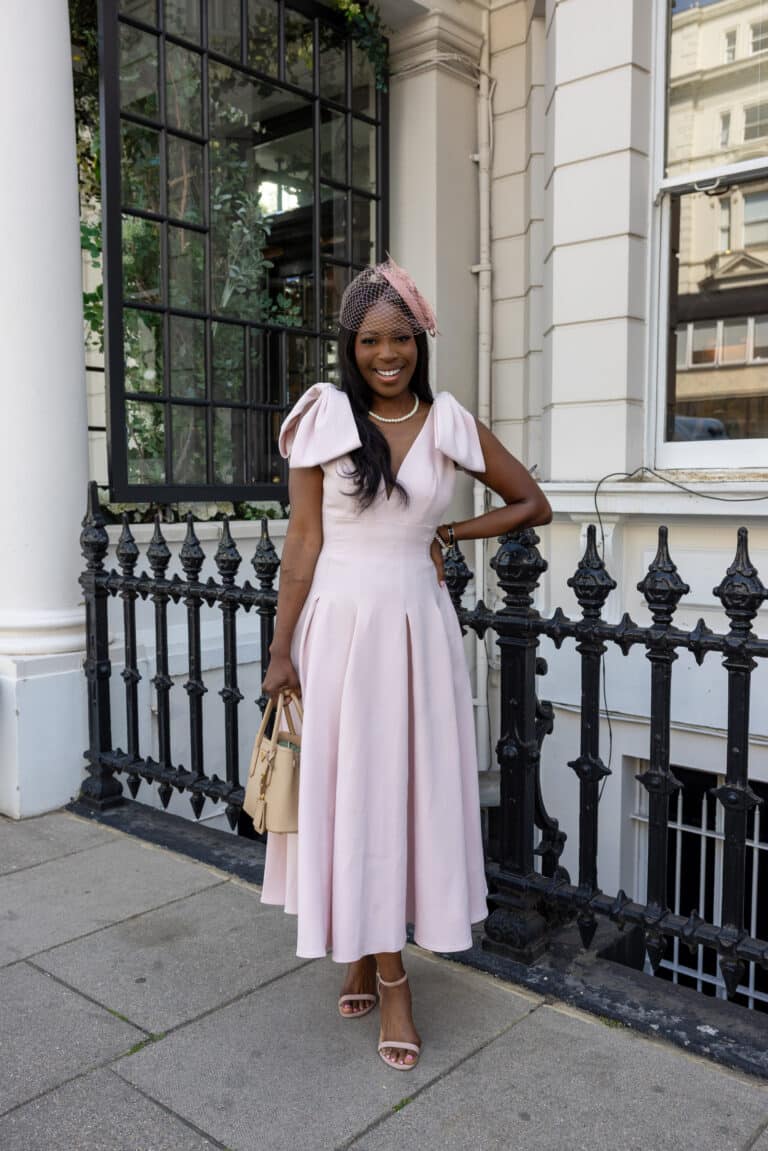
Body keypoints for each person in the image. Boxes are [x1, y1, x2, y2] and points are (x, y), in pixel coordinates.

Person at [260, 259, 551, 1071]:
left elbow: (532, 500)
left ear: (420, 341)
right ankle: (381, 966)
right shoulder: (322, 417)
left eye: (400, 339)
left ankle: (380, 963)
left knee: (399, 794)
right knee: (353, 792)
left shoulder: (450, 420)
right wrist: (282, 648)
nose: (386, 354)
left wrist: (447, 536)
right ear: (349, 346)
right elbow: (305, 542)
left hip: (417, 632)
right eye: (369, 340)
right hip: (341, 627)